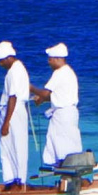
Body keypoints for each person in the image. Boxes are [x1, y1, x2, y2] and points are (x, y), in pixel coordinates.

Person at [0, 40, 34, 188]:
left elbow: (13, 97)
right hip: (13, 110)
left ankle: (18, 181)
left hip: (13, 111)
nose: (0, 64)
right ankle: (11, 180)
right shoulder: (17, 69)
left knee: (15, 145)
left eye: (1, 61)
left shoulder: (14, 71)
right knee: (8, 145)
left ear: (8, 58)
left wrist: (6, 122)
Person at [40, 42, 83, 171]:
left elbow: (45, 93)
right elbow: (56, 95)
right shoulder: (69, 72)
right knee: (67, 140)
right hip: (70, 112)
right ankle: (67, 164)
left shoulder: (59, 73)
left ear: (58, 59)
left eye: (50, 59)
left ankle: (65, 165)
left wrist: (31, 89)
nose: (49, 62)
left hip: (63, 114)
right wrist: (41, 98)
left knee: (62, 141)